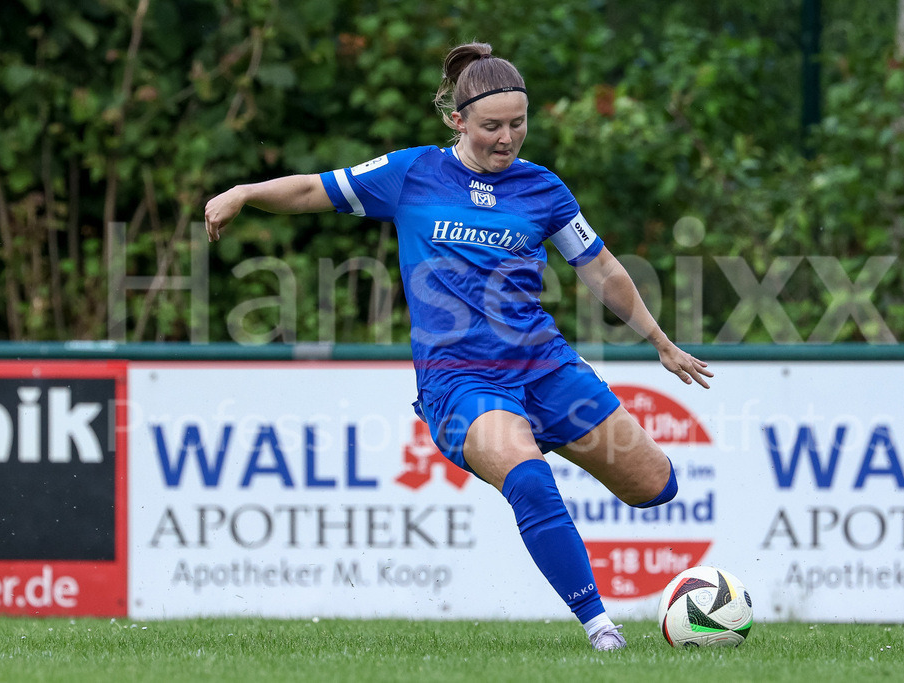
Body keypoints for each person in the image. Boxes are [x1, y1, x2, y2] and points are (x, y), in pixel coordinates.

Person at [204, 42, 713, 651]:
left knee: (656, 486)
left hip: (545, 366)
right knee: (530, 482)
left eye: (518, 123)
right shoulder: (412, 174)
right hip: (461, 381)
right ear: (458, 120)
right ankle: (601, 630)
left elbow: (600, 267)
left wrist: (660, 341)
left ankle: (534, 432)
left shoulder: (544, 189)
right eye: (492, 126)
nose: (507, 138)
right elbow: (315, 190)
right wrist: (244, 191)